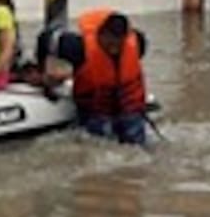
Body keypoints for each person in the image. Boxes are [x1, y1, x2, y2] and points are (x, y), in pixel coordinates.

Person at [37, 9, 148, 146]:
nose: (114, 50)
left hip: (130, 109)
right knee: (98, 144)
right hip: (95, 111)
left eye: (119, 45)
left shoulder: (137, 43)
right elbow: (44, 39)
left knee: (137, 146)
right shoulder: (77, 47)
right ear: (101, 34)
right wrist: (43, 73)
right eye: (110, 44)